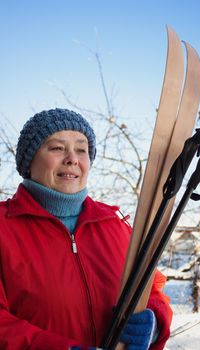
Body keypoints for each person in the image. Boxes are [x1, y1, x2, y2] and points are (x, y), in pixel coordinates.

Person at [0, 108, 172, 350]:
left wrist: (155, 320)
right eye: (57, 148)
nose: (72, 158)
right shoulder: (4, 226)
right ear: (29, 161)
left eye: (81, 150)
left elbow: (151, 289)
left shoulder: (115, 224)